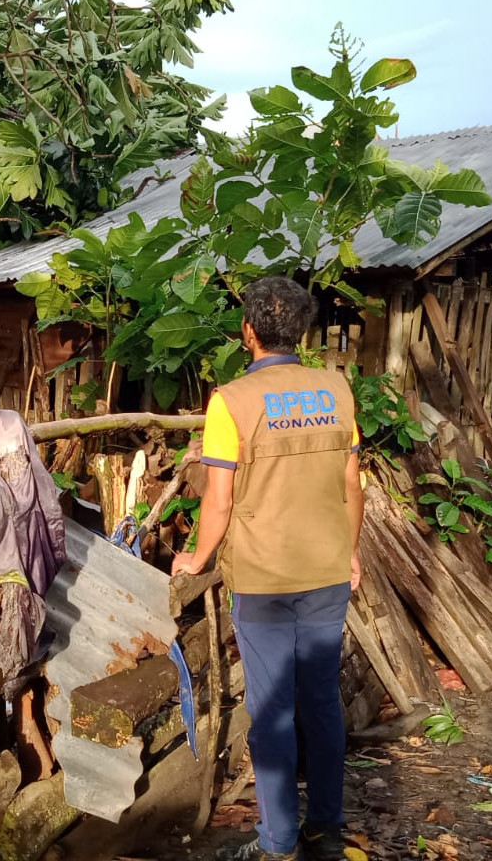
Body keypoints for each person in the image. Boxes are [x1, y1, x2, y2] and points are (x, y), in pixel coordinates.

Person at [172, 276, 364, 861]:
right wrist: (351, 553)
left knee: (273, 710)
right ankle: (325, 831)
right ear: (300, 332)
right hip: (328, 570)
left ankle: (277, 842)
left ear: (248, 330)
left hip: (263, 579)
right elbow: (352, 484)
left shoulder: (230, 401)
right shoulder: (336, 391)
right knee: (322, 703)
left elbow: (220, 500)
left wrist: (195, 558)